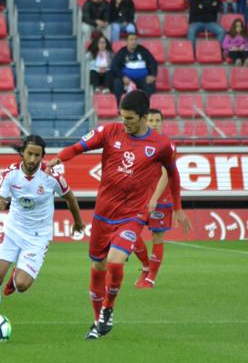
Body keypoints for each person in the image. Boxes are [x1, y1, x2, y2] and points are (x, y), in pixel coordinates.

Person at [46, 90, 191, 339]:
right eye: (122, 117)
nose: (125, 122)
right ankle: (97, 321)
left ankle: (108, 310)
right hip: (103, 213)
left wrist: (177, 206)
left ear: (144, 117)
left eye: (130, 118)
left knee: (115, 259)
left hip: (133, 214)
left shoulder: (161, 145)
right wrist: (58, 158)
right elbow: (78, 147)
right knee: (97, 266)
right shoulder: (109, 131)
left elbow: (173, 174)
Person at [0, 135, 85, 318]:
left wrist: (78, 222)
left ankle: (16, 276)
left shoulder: (51, 176)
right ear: (22, 153)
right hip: (13, 230)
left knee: (22, 285)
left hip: (38, 236)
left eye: (37, 155)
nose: (32, 159)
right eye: (29, 154)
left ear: (42, 156)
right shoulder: (10, 174)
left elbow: (70, 198)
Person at [132, 109, 176, 289]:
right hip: (140, 198)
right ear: (145, 121)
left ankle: (151, 278)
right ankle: (145, 265)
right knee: (131, 234)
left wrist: (154, 199)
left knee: (157, 237)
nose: (154, 123)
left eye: (158, 120)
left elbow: (166, 175)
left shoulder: (167, 145)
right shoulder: (138, 143)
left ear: (162, 122)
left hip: (161, 199)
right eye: (151, 120)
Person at [111, 33, 158, 103]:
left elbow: (153, 62)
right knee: (116, 83)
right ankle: (119, 106)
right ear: (127, 41)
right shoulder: (122, 52)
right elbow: (114, 66)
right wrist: (123, 77)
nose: (134, 42)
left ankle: (145, 108)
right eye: (131, 39)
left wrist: (153, 75)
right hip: (127, 80)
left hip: (143, 79)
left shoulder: (143, 50)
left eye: (135, 39)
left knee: (150, 85)